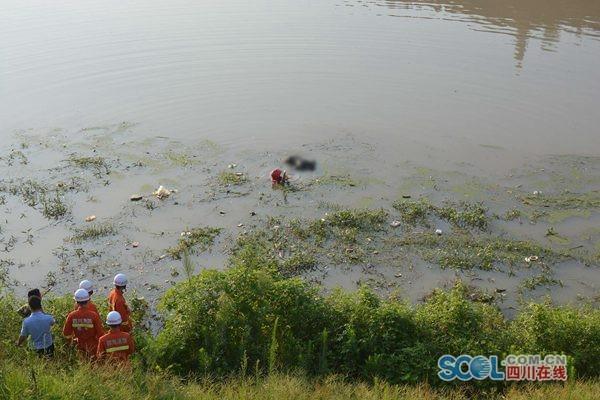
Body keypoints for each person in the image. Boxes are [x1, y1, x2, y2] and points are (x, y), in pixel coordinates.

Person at [63, 289, 104, 358]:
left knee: (82, 362)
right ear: (88, 301)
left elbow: (66, 333)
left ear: (76, 302)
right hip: (93, 346)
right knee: (94, 362)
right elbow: (100, 333)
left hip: (79, 346)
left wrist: (72, 341)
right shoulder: (93, 315)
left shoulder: (71, 315)